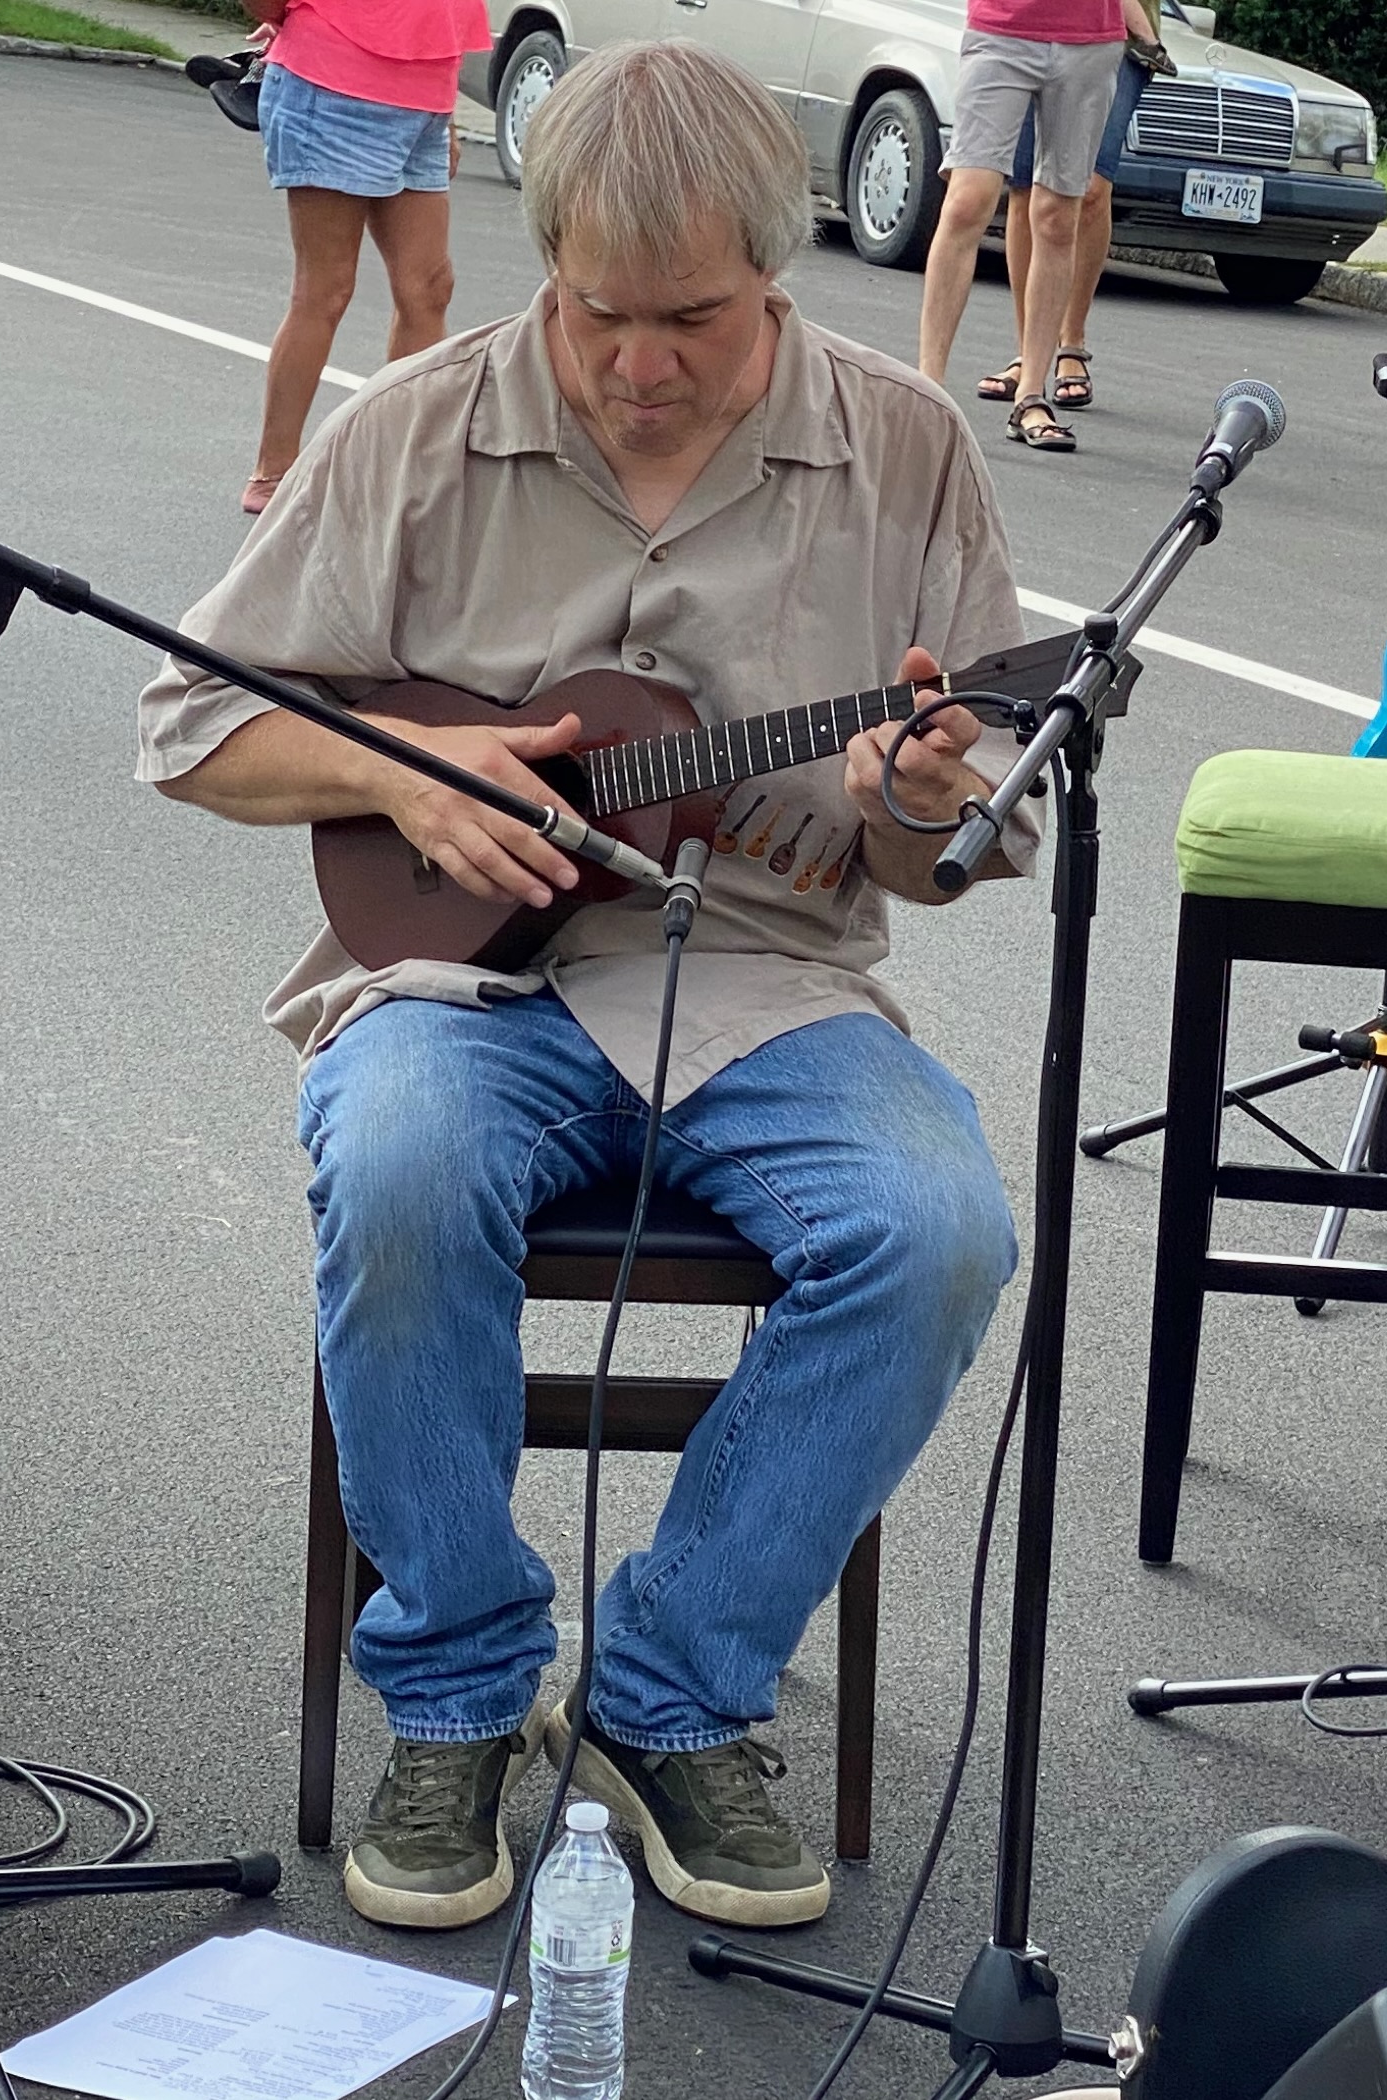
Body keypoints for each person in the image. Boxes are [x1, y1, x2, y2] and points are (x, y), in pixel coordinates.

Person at [140, 40, 1036, 1935]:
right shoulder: (415, 427)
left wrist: (917, 800)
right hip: (468, 995)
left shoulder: (908, 447)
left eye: (694, 321)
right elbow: (193, 723)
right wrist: (399, 776)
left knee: (940, 1227)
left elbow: (958, 836)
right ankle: (459, 1692)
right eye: (596, 314)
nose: (639, 364)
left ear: (777, 274)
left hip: (775, 986)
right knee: (395, 1168)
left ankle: (669, 1697)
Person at [234, 0, 491, 515]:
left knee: (429, 289)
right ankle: (273, 473)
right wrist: (297, 21)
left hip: (424, 102)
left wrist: (448, 121)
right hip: (334, 87)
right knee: (325, 290)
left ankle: (395, 461)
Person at [916, 0, 1128, 453]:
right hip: (1002, 30)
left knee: (1056, 218)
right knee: (966, 201)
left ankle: (1030, 394)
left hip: (1088, 40)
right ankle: (926, 390)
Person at [977, 0, 1170, 415]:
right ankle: (1029, 356)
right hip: (1029, 29)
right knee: (1026, 187)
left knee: (1091, 188)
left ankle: (1072, 341)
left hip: (1121, 36)